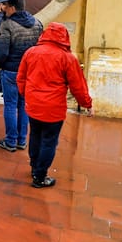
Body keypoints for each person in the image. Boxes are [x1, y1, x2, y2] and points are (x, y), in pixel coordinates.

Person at [17, 22, 93, 188]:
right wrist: (87, 104)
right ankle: (40, 176)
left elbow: (21, 77)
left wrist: (27, 95)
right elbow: (78, 86)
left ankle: (34, 167)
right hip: (54, 109)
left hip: (34, 106)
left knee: (35, 136)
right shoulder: (67, 58)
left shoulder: (31, 52)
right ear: (64, 37)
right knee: (49, 141)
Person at [0, 0, 43, 152]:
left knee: (10, 105)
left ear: (12, 7)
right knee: (23, 105)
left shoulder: (7, 25)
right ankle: (22, 140)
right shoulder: (37, 23)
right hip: (29, 72)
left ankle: (10, 141)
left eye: (4, 5)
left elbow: (1, 51)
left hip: (11, 71)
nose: (2, 8)